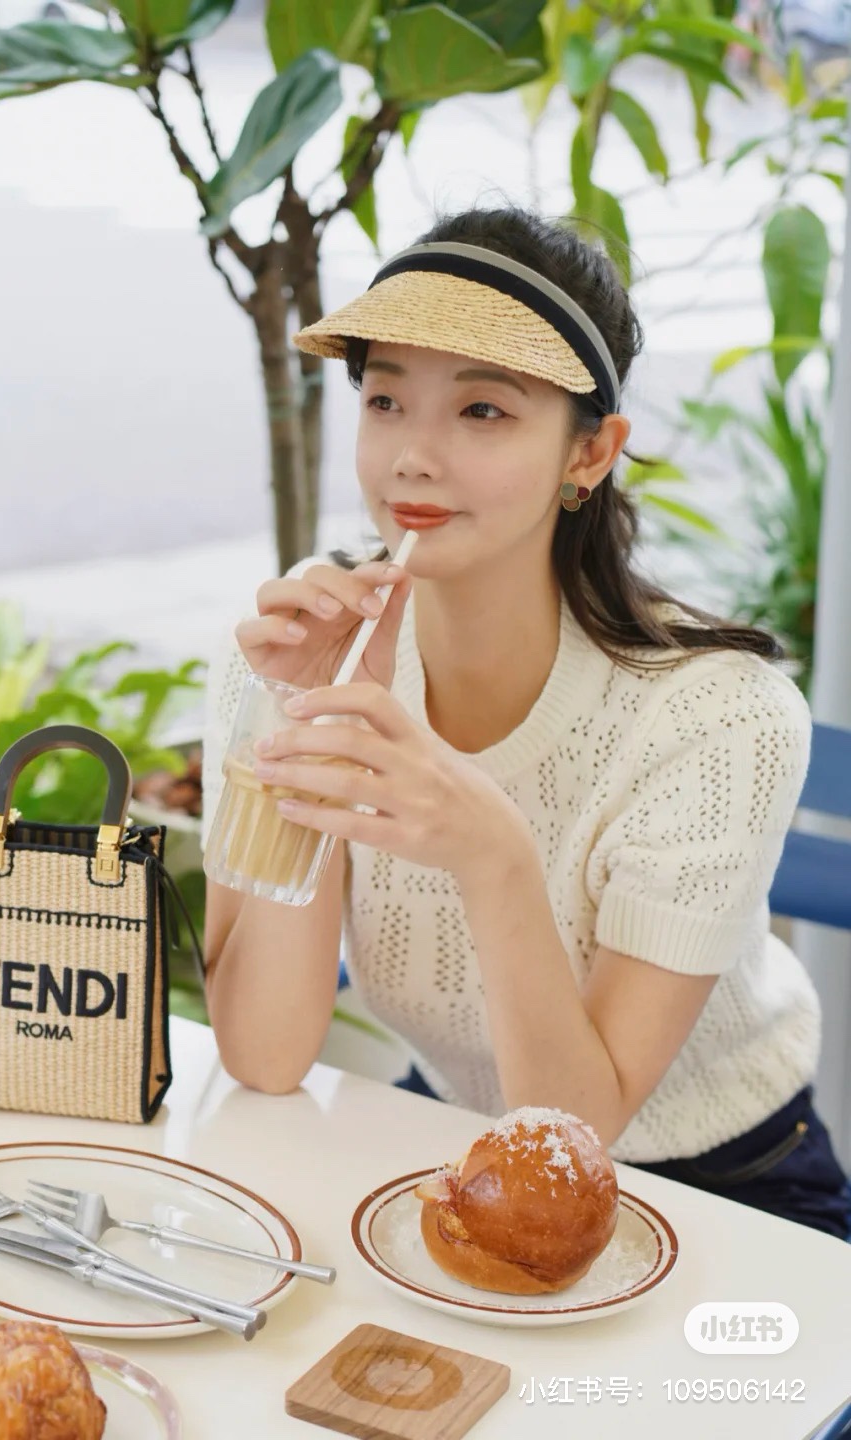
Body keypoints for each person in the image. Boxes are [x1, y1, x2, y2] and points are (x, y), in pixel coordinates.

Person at [200, 205, 851, 1242]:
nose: (414, 457)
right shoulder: (300, 646)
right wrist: (298, 720)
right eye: (385, 400)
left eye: (483, 410)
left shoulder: (718, 715)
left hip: (724, 1191)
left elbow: (579, 1131)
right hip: (460, 1152)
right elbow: (266, 1055)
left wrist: (492, 854)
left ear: (589, 453)